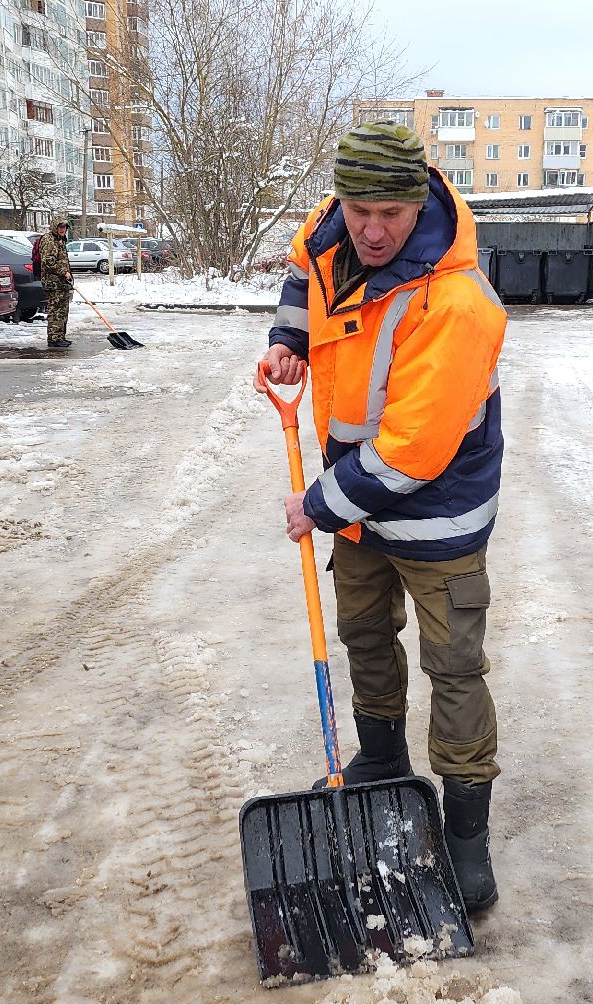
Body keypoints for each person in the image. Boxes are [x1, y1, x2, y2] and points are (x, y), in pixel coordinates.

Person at [257, 121, 508, 913]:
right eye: (356, 208)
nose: (370, 230)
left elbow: (407, 455)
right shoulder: (333, 235)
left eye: (388, 215)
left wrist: (315, 507)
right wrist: (289, 338)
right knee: (364, 631)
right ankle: (383, 760)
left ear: (417, 200)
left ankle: (467, 836)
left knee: (453, 667)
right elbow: (306, 270)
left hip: (433, 511)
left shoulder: (456, 302)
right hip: (361, 509)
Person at [35, 216, 73, 349]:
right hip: (53, 283)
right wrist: (64, 272)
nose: (63, 230)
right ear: (55, 227)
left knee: (63, 310)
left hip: (62, 283)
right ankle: (54, 338)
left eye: (65, 227)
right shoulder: (49, 240)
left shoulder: (60, 240)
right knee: (55, 310)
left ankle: (60, 336)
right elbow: (48, 260)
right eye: (60, 227)